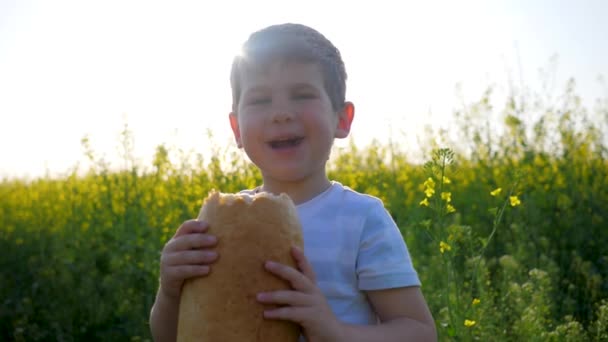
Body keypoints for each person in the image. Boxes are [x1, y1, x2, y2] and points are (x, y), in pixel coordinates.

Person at [149, 23, 436, 342]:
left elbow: (420, 332)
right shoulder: (224, 223)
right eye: (260, 100)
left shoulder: (362, 219)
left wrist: (335, 331)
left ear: (341, 119)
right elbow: (170, 336)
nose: (281, 113)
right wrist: (171, 290)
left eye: (302, 95)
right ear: (237, 129)